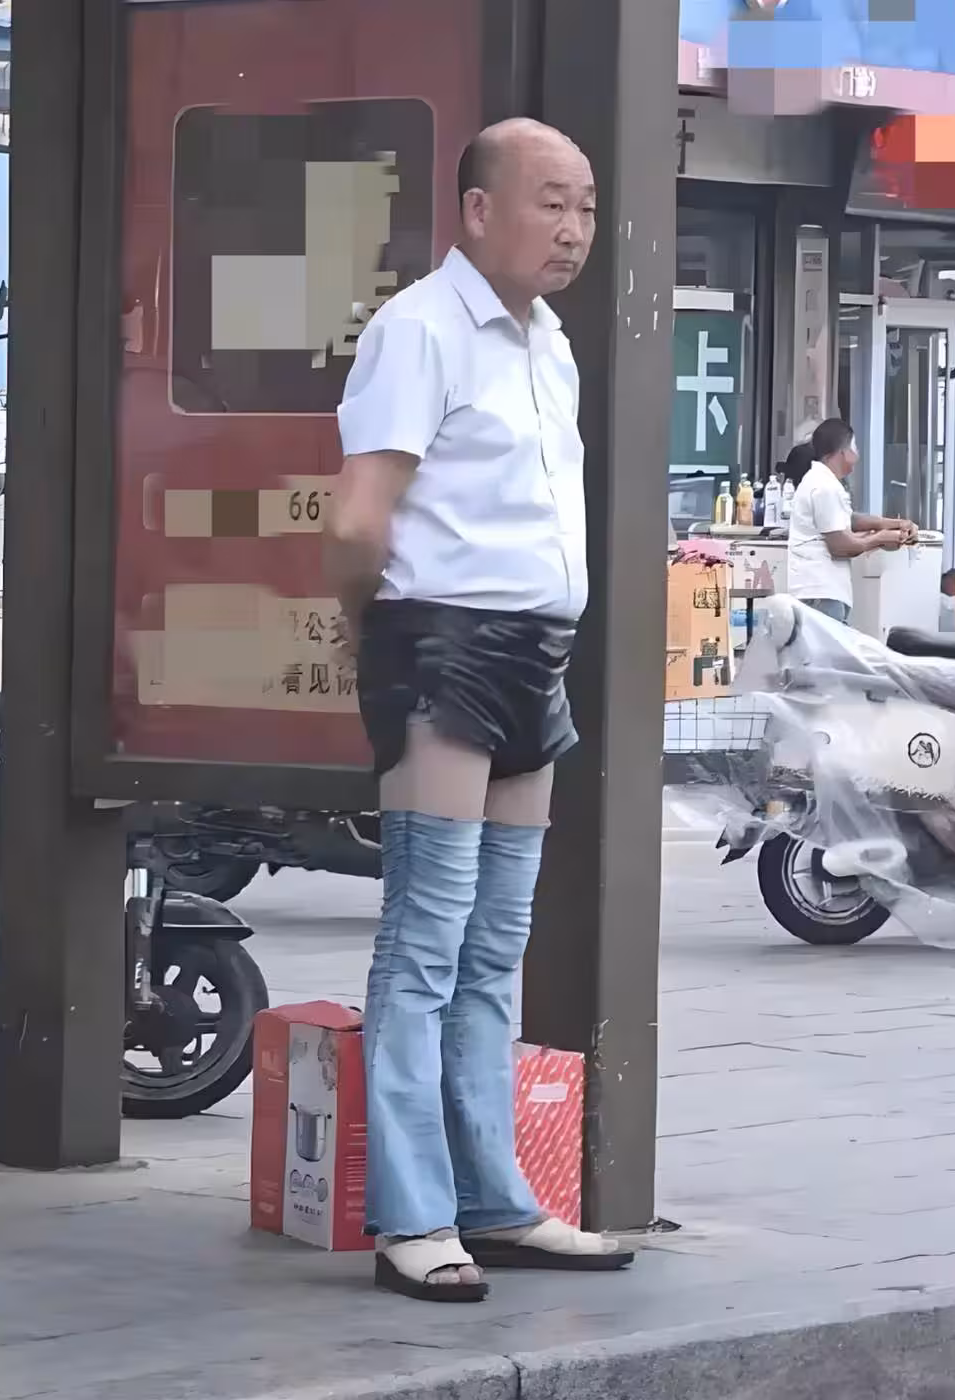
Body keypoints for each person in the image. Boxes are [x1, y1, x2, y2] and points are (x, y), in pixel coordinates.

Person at [325, 118, 634, 1304]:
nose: (572, 228)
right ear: (473, 209)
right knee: (426, 937)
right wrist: (378, 637)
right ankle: (411, 1215)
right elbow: (358, 518)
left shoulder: (549, 340)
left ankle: (494, 1198)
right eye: (549, 201)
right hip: (440, 646)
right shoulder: (419, 328)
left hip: (534, 653)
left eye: (586, 206)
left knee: (496, 943)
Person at [786, 418, 918, 624]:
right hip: (821, 593)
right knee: (827, 645)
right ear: (842, 452)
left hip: (819, 591)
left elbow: (847, 519)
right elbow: (841, 546)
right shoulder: (824, 487)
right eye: (854, 447)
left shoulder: (822, 481)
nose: (857, 455)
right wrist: (880, 538)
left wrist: (893, 524)